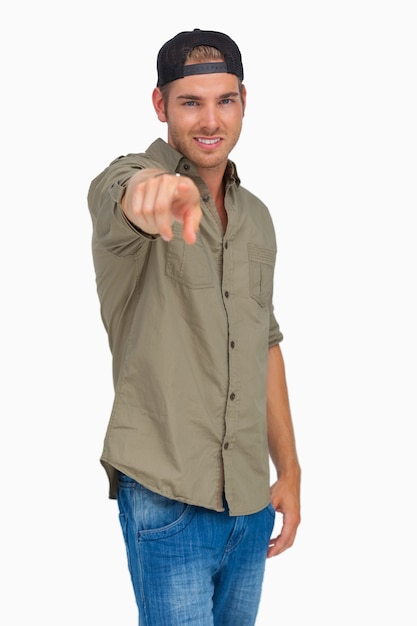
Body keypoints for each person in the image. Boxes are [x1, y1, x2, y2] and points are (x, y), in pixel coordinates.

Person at [87, 28, 301, 626]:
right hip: (167, 496)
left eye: (223, 100)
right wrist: (151, 195)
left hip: (249, 503)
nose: (210, 120)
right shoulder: (130, 179)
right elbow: (123, 194)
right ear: (161, 105)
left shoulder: (256, 218)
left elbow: (265, 342)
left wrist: (289, 470)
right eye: (190, 102)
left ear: (242, 102)